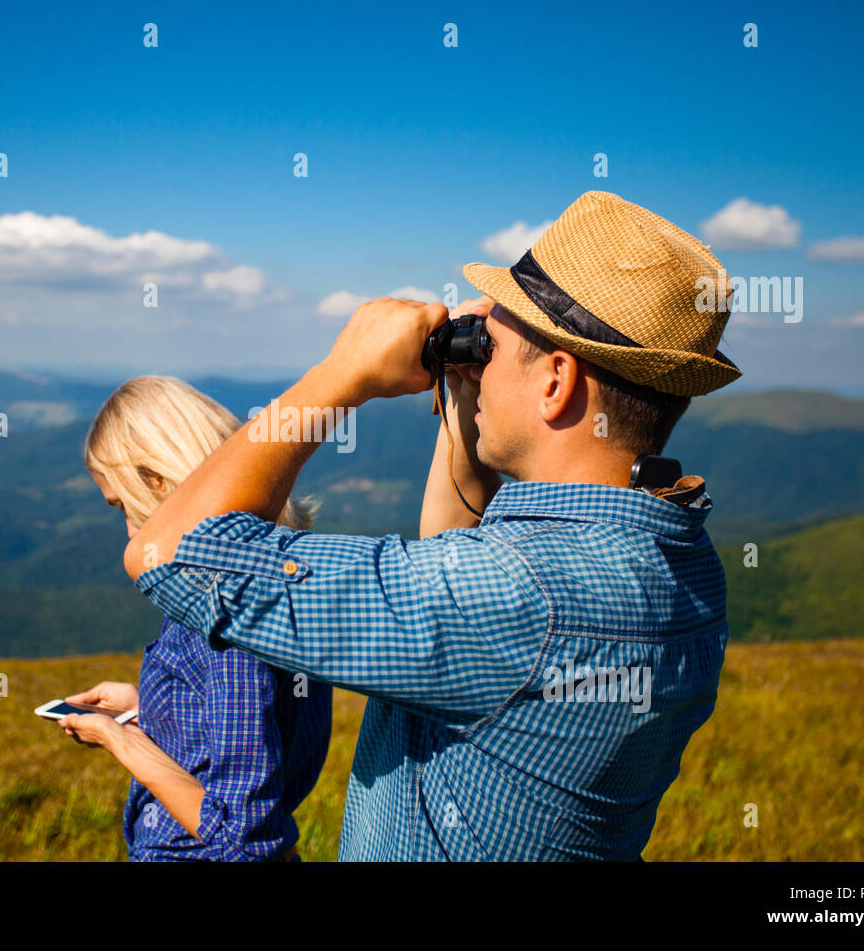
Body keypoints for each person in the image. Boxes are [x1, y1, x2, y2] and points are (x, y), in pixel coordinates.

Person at [124, 191, 741, 860]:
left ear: (556, 381)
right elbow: (462, 562)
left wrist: (342, 374)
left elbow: (168, 551)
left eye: (494, 346)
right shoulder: (675, 557)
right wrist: (468, 394)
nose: (479, 355)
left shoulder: (520, 594)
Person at [57, 375, 332, 861]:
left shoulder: (224, 611)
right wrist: (143, 710)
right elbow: (251, 729)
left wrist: (122, 742)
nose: (126, 528)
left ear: (157, 481)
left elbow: (244, 837)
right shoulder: (272, 579)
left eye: (122, 505)